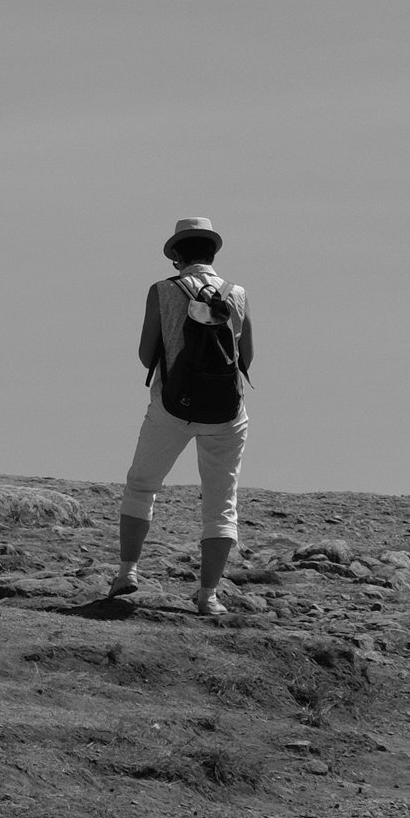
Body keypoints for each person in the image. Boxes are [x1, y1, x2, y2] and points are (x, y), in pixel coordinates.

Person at [104, 213, 254, 622]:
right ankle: (208, 597)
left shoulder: (162, 291)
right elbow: (247, 359)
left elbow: (144, 355)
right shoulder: (236, 293)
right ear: (212, 252)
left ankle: (127, 573)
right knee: (221, 503)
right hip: (227, 413)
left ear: (176, 257)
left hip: (172, 406)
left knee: (142, 484)